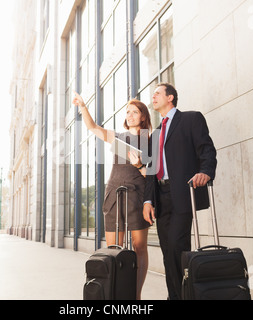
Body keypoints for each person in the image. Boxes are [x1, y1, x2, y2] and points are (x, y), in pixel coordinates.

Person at [72, 92, 152, 300]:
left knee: (139, 246)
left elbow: (152, 175)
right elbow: (93, 128)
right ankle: (114, 294)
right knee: (113, 248)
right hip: (114, 193)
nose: (130, 115)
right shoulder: (118, 136)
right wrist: (83, 106)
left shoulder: (150, 140)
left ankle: (136, 294)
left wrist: (139, 164)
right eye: (128, 112)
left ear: (143, 116)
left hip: (138, 193)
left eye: (135, 112)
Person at [143, 83, 217, 300]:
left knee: (176, 245)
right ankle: (177, 295)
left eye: (157, 93)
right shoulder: (155, 134)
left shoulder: (191, 119)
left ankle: (181, 297)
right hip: (161, 198)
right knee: (168, 252)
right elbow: (150, 172)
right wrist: (147, 200)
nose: (153, 96)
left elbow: (207, 149)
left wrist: (206, 171)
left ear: (171, 97)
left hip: (184, 193)